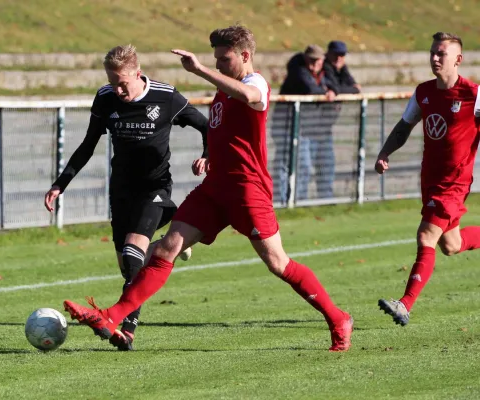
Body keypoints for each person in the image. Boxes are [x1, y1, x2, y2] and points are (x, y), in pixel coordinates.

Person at [63, 26, 353, 352]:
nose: (216, 65)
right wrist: (208, 155)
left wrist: (198, 70)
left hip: (248, 191)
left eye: (223, 58)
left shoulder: (254, 83)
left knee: (278, 263)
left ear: (245, 56)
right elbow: (221, 135)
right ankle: (111, 317)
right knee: (164, 250)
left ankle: (338, 318)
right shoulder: (222, 93)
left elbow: (251, 97)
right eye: (213, 59)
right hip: (215, 189)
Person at [44, 44, 208, 350]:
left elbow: (207, 126)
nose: (118, 89)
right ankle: (171, 239)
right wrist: (60, 183)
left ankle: (126, 329)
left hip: (155, 188)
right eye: (112, 81)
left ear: (138, 74)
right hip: (121, 190)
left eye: (123, 83)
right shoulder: (106, 97)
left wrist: (207, 155)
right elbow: (88, 144)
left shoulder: (165, 96)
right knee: (128, 266)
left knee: (134, 254)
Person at [376, 32, 480, 326]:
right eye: (432, 52)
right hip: (430, 181)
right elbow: (404, 125)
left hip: (454, 184)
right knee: (451, 244)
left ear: (457, 59)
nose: (434, 58)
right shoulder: (424, 92)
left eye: (441, 54)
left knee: (426, 237)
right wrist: (385, 152)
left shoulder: (474, 94)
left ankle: (404, 304)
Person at [277, 45, 336, 203]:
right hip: (288, 127)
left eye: (316, 60)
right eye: (310, 60)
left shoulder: (325, 73)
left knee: (312, 166)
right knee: (295, 166)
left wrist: (332, 90)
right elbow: (310, 88)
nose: (313, 64)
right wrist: (326, 92)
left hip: (311, 127)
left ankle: (303, 201)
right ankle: (288, 202)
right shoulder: (298, 71)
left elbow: (341, 86)